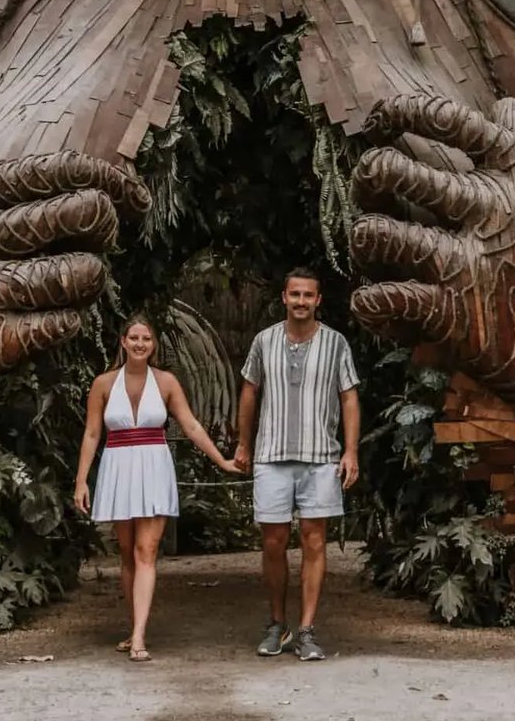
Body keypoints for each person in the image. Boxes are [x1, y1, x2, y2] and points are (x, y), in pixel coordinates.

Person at [74, 315, 240, 661]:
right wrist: (81, 481)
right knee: (126, 552)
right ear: (123, 341)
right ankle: (133, 625)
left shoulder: (166, 381)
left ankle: (138, 637)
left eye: (146, 338)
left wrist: (222, 461)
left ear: (154, 344)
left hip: (153, 466)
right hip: (117, 465)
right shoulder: (103, 383)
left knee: (145, 551)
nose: (139, 343)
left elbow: (191, 425)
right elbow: (92, 434)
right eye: (133, 337)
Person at [233, 267, 360, 662]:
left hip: (321, 457)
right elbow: (250, 392)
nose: (301, 301)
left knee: (314, 541)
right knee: (272, 542)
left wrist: (351, 451)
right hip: (271, 455)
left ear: (318, 300)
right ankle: (277, 624)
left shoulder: (336, 343)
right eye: (295, 295)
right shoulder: (264, 341)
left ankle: (306, 630)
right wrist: (243, 443)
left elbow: (350, 398)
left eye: (309, 295)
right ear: (284, 298)